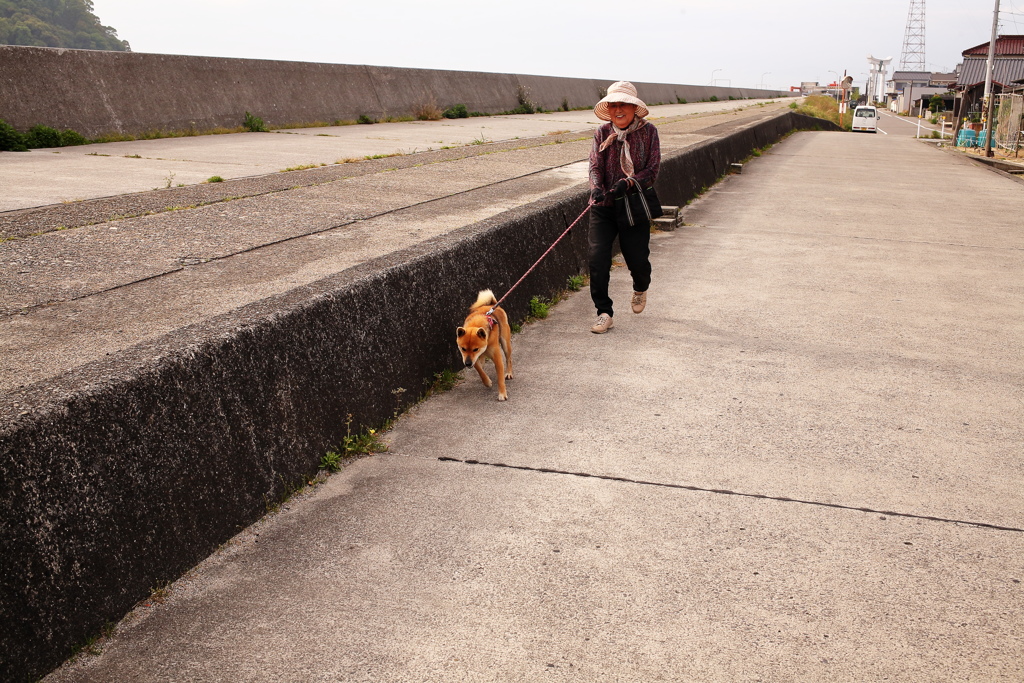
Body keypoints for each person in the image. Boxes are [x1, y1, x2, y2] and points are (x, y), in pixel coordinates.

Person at [587, 81, 661, 334]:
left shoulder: (649, 132)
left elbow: (652, 169)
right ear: (608, 109)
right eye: (614, 105)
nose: (618, 110)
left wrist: (628, 182)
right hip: (603, 206)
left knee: (638, 260)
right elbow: (595, 166)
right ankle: (604, 312)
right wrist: (596, 187)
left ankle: (640, 287)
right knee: (597, 260)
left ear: (634, 108)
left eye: (624, 105)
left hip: (632, 205)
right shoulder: (601, 132)